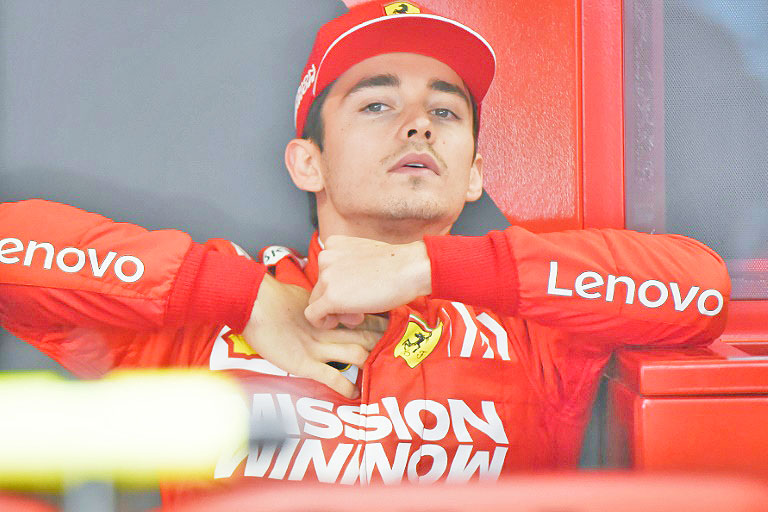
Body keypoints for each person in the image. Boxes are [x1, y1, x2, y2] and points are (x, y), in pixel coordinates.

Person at [0, 0, 729, 505]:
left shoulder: (530, 316)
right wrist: (245, 299)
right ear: (307, 163)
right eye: (377, 104)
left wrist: (430, 268)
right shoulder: (208, 312)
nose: (418, 124)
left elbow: (702, 292)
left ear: (474, 174)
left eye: (445, 111)